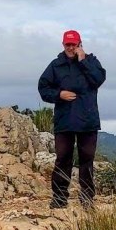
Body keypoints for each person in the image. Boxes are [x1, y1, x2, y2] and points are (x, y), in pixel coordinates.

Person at [37, 29, 107, 208]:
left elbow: (98, 79)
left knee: (87, 160)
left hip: (88, 120)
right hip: (64, 120)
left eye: (73, 44)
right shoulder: (56, 65)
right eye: (67, 44)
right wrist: (59, 94)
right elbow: (43, 88)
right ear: (63, 44)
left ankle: (87, 200)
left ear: (79, 44)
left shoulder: (91, 61)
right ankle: (59, 199)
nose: (70, 47)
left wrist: (83, 61)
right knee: (63, 159)